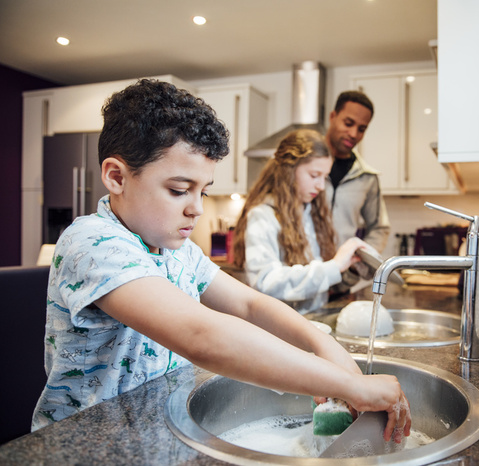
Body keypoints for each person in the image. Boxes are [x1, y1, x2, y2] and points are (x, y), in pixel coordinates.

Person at [31, 79, 411, 443]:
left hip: (154, 432)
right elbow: (202, 336)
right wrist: (349, 385)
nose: (196, 209)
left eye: (204, 191)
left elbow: (249, 303)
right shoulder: (93, 243)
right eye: (179, 190)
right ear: (116, 177)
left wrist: (326, 348)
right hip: (87, 445)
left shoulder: (178, 251)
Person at [232, 129, 373, 313]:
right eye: (314, 176)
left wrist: (350, 268)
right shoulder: (263, 216)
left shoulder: (313, 212)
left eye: (324, 177)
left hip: (313, 321)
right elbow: (264, 281)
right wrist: (334, 266)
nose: (321, 186)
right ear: (289, 171)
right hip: (279, 328)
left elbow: (316, 281)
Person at [324, 91, 391, 290]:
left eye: (362, 129)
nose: (354, 134)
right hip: (300, 277)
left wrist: (357, 267)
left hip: (341, 283)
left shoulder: (367, 177)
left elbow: (379, 228)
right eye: (348, 123)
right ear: (333, 117)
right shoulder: (304, 165)